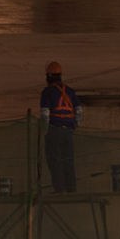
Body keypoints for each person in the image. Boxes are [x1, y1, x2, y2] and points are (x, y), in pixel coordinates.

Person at [40, 61, 82, 193]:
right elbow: (79, 110)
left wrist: (44, 130)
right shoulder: (70, 91)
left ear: (49, 76)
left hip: (54, 129)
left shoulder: (47, 92)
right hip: (68, 131)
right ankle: (71, 187)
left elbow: (45, 113)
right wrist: (75, 125)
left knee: (54, 159)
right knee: (68, 159)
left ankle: (59, 189)